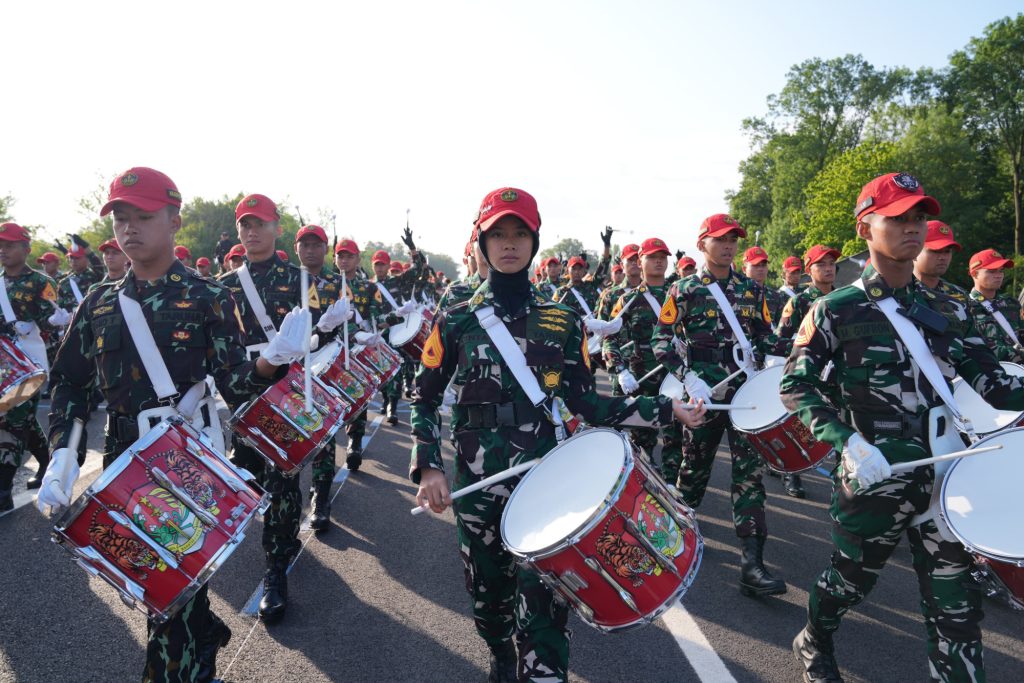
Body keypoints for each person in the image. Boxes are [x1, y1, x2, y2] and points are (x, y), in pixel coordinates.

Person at [411, 187, 706, 683]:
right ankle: (500, 653)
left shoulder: (562, 317)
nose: (509, 244)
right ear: (481, 243)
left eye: (519, 233)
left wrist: (665, 408)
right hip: (478, 488)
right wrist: (429, 465)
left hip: (546, 483)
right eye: (497, 234)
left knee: (545, 609)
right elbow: (423, 395)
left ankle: (541, 669)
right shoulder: (457, 314)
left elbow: (590, 402)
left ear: (534, 241)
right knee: (488, 602)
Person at [40, 167, 297, 682]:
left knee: (166, 597)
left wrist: (272, 362)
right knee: (151, 583)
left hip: (186, 461)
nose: (129, 229)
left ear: (174, 220)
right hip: (122, 462)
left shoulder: (209, 297)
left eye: (143, 216)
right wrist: (64, 450)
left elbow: (237, 386)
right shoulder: (99, 303)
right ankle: (204, 635)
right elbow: (69, 383)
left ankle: (186, 660)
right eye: (120, 218)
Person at [781, 172, 1024, 682]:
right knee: (849, 584)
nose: (914, 228)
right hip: (877, 475)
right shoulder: (835, 310)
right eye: (899, 218)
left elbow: (993, 383)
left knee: (958, 613)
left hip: (948, 476)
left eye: (919, 217)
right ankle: (814, 636)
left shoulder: (949, 307)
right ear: (866, 227)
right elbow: (796, 386)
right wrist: (846, 444)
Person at [219, 193, 343, 623]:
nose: (252, 232)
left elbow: (315, 340)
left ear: (276, 229)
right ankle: (278, 543)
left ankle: (275, 572)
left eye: (260, 224)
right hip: (244, 388)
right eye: (245, 225)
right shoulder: (227, 285)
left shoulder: (299, 280)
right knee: (248, 475)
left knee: (283, 480)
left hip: (286, 390)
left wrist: (318, 333)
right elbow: (221, 350)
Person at [652, 213, 788, 599]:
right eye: (721, 239)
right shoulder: (683, 290)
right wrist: (684, 376)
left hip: (745, 398)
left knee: (750, 477)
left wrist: (798, 356)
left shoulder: (753, 289)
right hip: (703, 396)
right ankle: (676, 537)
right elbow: (661, 341)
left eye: (734, 239)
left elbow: (765, 338)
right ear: (702, 244)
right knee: (693, 471)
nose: (729, 245)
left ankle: (752, 563)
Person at [603, 238, 684, 481]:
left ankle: (672, 492)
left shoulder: (681, 293)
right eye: (652, 256)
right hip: (642, 377)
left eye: (663, 256)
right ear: (640, 262)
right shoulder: (628, 300)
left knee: (675, 441)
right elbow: (610, 338)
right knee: (643, 443)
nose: (659, 261)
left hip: (675, 377)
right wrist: (619, 369)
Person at [294, 224, 351, 533]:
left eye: (317, 245)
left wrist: (330, 329)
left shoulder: (335, 283)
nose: (311, 250)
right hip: (289, 366)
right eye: (305, 244)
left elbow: (347, 326)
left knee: (323, 436)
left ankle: (321, 496)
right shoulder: (288, 280)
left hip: (323, 366)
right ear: (296, 248)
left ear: (325, 249)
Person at [774, 244, 841, 499]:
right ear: (809, 271)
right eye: (821, 265)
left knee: (840, 424)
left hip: (837, 376)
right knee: (801, 426)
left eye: (831, 264)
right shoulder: (799, 301)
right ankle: (793, 474)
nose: (828, 269)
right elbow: (781, 339)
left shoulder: (844, 297)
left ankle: (840, 482)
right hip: (808, 373)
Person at [0, 223, 60, 504]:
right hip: (4, 365)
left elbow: (54, 317)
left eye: (10, 245)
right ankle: (48, 462)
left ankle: (2, 487)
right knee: (20, 418)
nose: (3, 250)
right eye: (1, 245)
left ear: (26, 248)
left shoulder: (40, 282)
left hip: (29, 365)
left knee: (12, 422)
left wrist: (41, 322)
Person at [332, 237, 387, 470]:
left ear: (358, 259)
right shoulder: (326, 284)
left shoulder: (369, 288)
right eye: (340, 256)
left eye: (349, 256)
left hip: (357, 350)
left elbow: (377, 317)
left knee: (357, 396)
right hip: (329, 350)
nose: (344, 260)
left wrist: (395, 318)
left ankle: (354, 442)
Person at [967, 248, 1024, 363]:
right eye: (992, 271)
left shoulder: (1011, 303)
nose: (999, 275)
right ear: (974, 274)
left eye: (1001, 270)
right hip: (991, 374)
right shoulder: (965, 307)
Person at [913, 221, 967, 304]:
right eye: (935, 251)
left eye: (947, 251)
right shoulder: (899, 291)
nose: (943, 257)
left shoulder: (959, 294)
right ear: (914, 252)